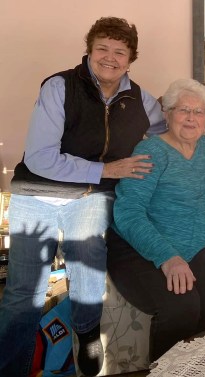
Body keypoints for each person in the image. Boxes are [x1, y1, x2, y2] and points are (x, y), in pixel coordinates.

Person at [0, 17, 166, 377]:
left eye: (119, 51)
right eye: (102, 48)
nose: (110, 57)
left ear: (130, 59)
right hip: (38, 193)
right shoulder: (59, 86)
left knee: (88, 264)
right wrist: (107, 169)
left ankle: (86, 329)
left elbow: (167, 133)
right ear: (89, 50)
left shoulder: (142, 100)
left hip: (90, 196)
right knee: (23, 293)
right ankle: (11, 368)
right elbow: (40, 158)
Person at [106, 78, 205, 361]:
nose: (191, 118)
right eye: (183, 109)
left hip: (195, 245)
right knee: (181, 307)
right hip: (142, 248)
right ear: (167, 112)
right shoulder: (150, 152)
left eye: (199, 112)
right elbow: (128, 212)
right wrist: (167, 257)